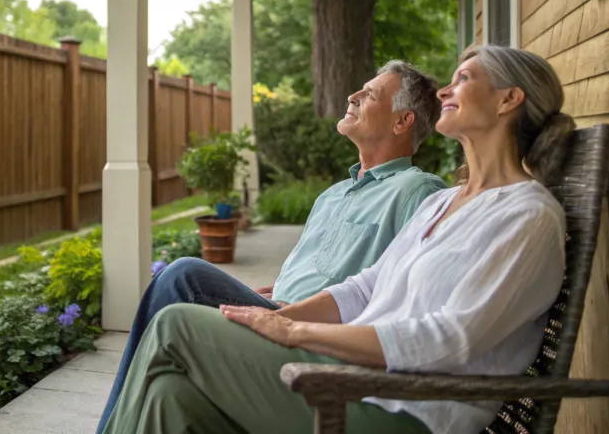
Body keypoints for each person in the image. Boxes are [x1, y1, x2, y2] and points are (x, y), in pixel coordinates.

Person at [101, 46, 576, 434]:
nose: (446, 89)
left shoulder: (527, 216)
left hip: (407, 411)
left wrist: (294, 332)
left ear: (508, 100)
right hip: (356, 381)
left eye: (464, 78)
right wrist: (275, 320)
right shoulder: (444, 203)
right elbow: (366, 287)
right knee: (169, 396)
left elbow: (452, 337)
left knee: (177, 324)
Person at [96, 61, 446, 433]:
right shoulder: (333, 195)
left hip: (314, 335)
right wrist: (277, 293)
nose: (353, 96)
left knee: (183, 276)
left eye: (370, 94)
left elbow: (400, 297)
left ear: (401, 122)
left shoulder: (417, 190)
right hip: (275, 312)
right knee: (167, 386)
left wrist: (296, 311)